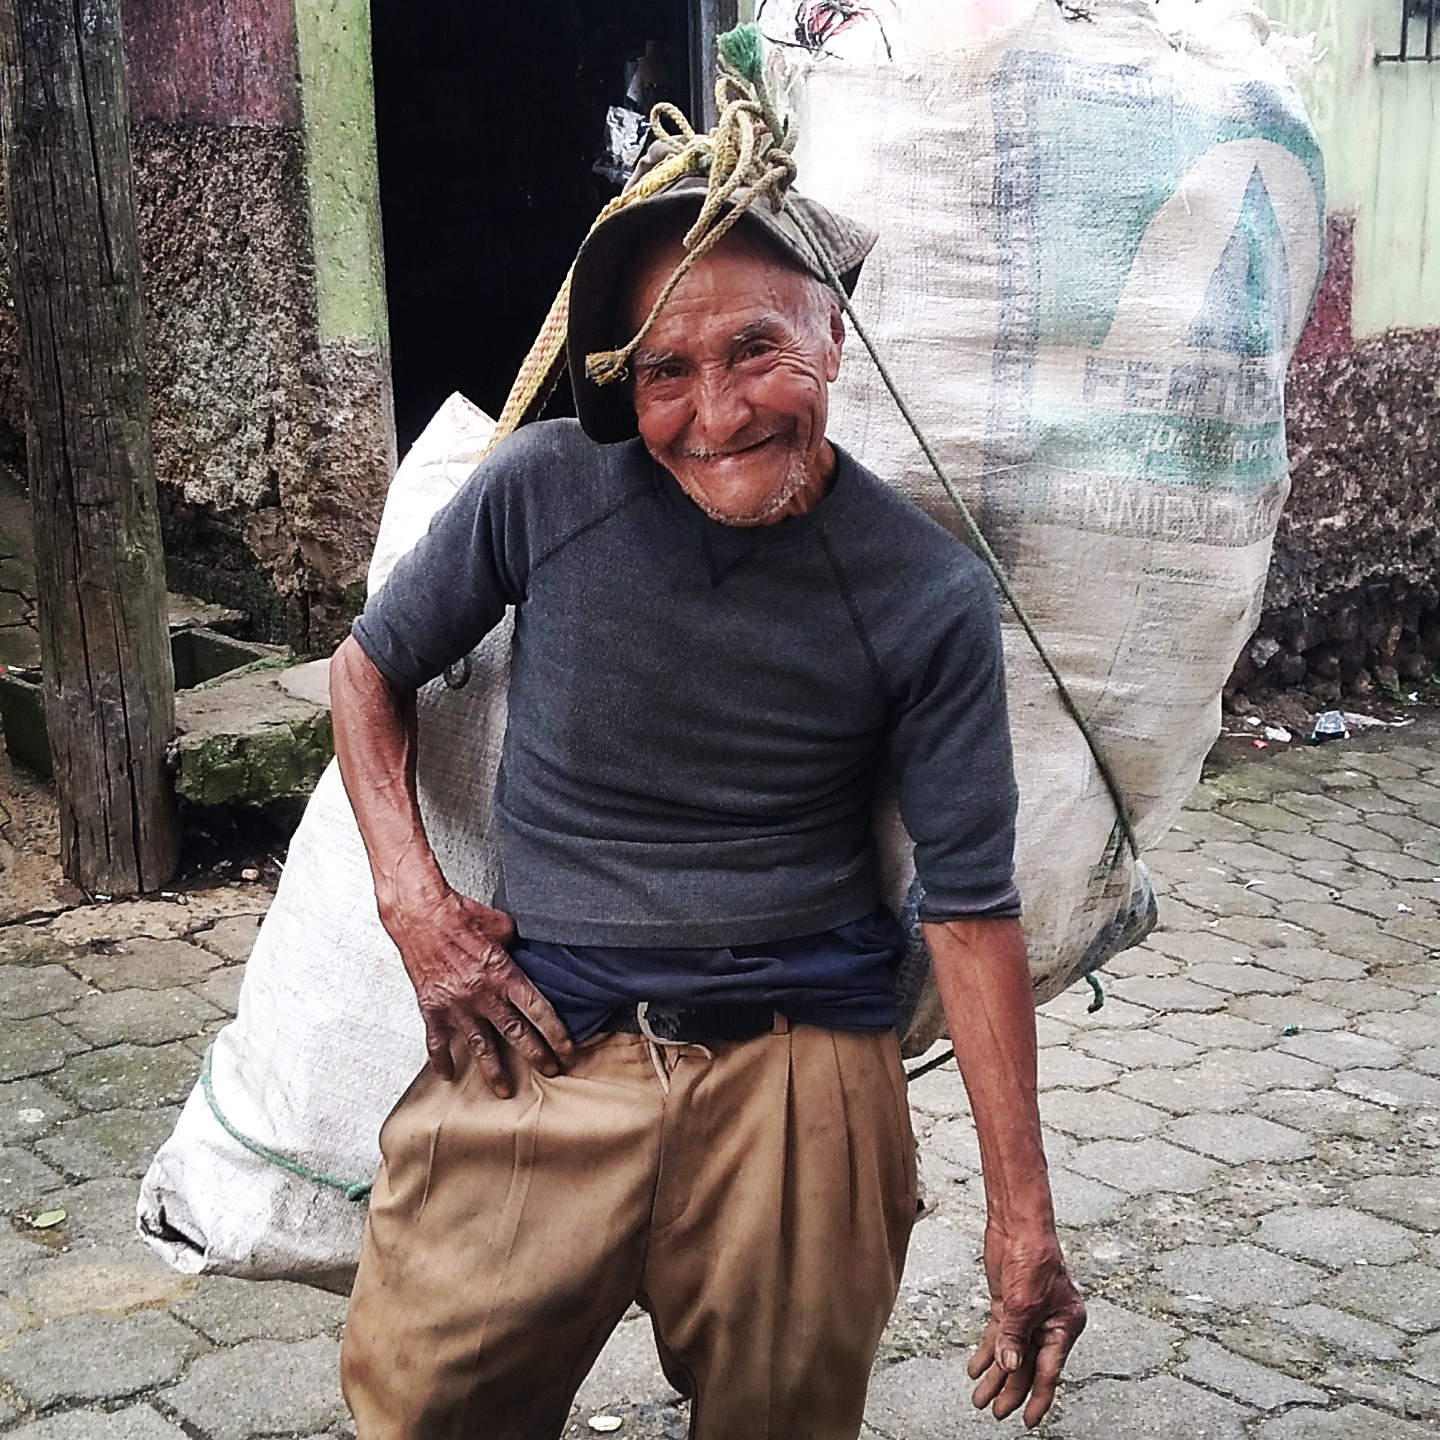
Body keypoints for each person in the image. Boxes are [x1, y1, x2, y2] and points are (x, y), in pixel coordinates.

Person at [329, 164, 1085, 1440]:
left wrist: (1025, 1224)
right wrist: (416, 904)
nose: (716, 412)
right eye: (665, 370)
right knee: (420, 1408)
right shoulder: (546, 489)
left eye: (756, 349)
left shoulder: (926, 591)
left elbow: (968, 908)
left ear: (835, 339)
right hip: (537, 1047)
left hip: (802, 1075)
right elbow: (367, 672)